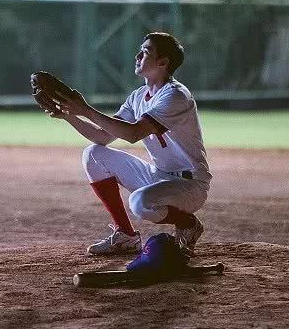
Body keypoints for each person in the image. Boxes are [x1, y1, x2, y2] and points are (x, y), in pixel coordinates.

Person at [51, 32, 210, 255]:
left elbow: (134, 133)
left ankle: (188, 224)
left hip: (190, 185)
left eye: (145, 52)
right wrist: (70, 115)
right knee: (94, 154)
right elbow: (103, 136)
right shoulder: (138, 96)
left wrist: (85, 110)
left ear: (163, 62)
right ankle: (126, 235)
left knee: (139, 202)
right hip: (158, 175)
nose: (138, 56)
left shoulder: (176, 96)